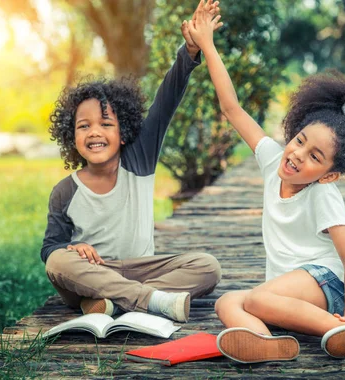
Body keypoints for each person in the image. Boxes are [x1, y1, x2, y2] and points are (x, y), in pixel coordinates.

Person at [187, 3, 345, 361]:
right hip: (287, 294)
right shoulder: (272, 160)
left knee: (255, 298)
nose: (297, 154)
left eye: (314, 157)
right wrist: (208, 46)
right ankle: (265, 343)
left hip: (325, 283)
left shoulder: (322, 193)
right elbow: (231, 108)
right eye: (299, 141)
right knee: (227, 302)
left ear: (329, 174)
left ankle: (342, 331)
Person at [40, 1, 223, 323]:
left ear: (124, 133)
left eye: (106, 124)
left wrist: (190, 51)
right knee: (57, 262)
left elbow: (166, 100)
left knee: (207, 266)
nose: (95, 132)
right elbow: (51, 248)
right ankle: (150, 300)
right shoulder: (64, 191)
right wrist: (73, 248)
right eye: (84, 126)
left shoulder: (138, 158)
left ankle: (112, 303)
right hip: (94, 273)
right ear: (72, 135)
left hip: (142, 268)